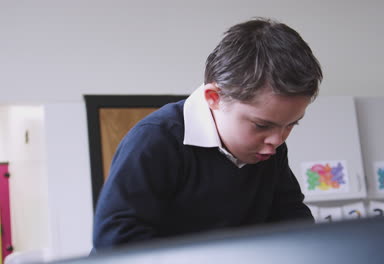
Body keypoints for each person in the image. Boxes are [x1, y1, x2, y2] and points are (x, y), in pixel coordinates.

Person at [93, 17, 323, 250]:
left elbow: (294, 225)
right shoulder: (155, 140)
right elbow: (116, 241)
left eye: (291, 124)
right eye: (261, 125)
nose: (277, 140)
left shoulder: (269, 148)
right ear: (214, 98)